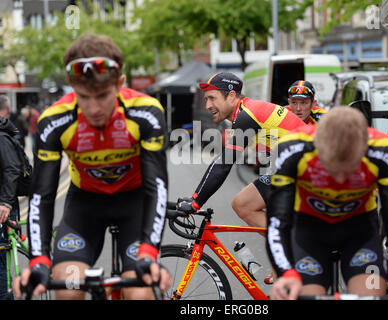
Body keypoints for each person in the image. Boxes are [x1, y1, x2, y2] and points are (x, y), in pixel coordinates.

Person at [12, 33, 171, 300]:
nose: (94, 107)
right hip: (84, 209)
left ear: (120, 84)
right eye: (84, 96)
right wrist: (39, 260)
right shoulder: (55, 121)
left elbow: (157, 186)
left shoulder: (146, 113)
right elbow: (42, 195)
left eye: (103, 95)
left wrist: (149, 252)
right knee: (70, 286)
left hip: (134, 205)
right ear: (72, 87)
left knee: (140, 291)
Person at [267, 106, 388, 300]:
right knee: (294, 293)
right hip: (309, 233)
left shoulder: (384, 150)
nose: (341, 180)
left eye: (350, 170)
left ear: (365, 149)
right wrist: (285, 273)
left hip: (360, 234)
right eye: (332, 171)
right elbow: (278, 220)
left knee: (373, 293)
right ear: (317, 148)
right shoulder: (292, 148)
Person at [177, 72, 305, 255]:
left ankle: (294, 255)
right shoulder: (246, 112)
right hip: (294, 168)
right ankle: (289, 252)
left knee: (245, 204)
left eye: (212, 98)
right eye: (206, 100)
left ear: (231, 96)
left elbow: (223, 163)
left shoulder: (247, 115)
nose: (207, 106)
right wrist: (194, 197)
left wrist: (196, 202)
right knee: (243, 204)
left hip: (307, 170)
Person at [0, 95, 21, 300]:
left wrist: (5, 202)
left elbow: (12, 169)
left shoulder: (1, 136)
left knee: (0, 262)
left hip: (2, 206)